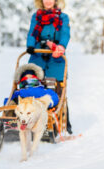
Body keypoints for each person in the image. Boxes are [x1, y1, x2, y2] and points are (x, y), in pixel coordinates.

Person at [26, 0, 72, 133]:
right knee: (32, 85)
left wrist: (61, 46)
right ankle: (30, 120)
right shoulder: (37, 16)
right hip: (38, 55)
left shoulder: (62, 17)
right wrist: (30, 45)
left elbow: (65, 34)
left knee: (56, 88)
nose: (48, 1)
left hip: (56, 57)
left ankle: (62, 123)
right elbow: (32, 32)